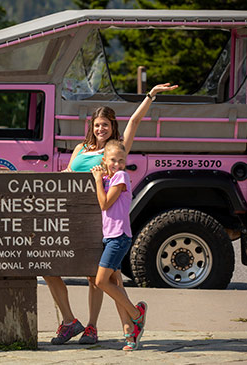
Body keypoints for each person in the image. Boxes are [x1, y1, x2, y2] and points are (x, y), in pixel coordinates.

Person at [46, 83, 178, 345]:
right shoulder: (79, 149)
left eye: (105, 125)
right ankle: (78, 321)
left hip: (104, 220)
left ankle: (100, 327)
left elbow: (135, 121)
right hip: (75, 216)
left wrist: (150, 95)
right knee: (56, 268)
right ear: (91, 126)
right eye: (97, 125)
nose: (100, 129)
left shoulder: (117, 151)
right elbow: (70, 176)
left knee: (102, 277)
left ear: (112, 127)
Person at [90, 140, 147, 351]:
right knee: (116, 285)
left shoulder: (121, 177)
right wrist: (101, 175)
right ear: (105, 160)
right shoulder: (110, 177)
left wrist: (98, 180)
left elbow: (105, 203)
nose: (117, 164)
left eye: (121, 161)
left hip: (119, 238)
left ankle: (136, 314)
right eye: (113, 160)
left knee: (101, 281)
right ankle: (130, 333)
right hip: (110, 238)